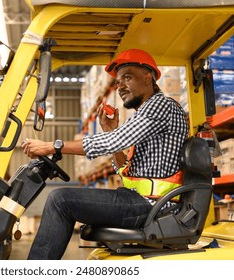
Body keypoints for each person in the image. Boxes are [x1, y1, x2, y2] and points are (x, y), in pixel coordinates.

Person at [22, 49, 189, 260]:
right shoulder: (145, 116)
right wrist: (111, 132)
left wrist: (52, 146)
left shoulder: (160, 106)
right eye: (118, 82)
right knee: (61, 199)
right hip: (139, 200)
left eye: (127, 77)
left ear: (148, 78)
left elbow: (114, 141)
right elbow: (124, 171)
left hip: (152, 206)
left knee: (60, 199)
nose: (120, 87)